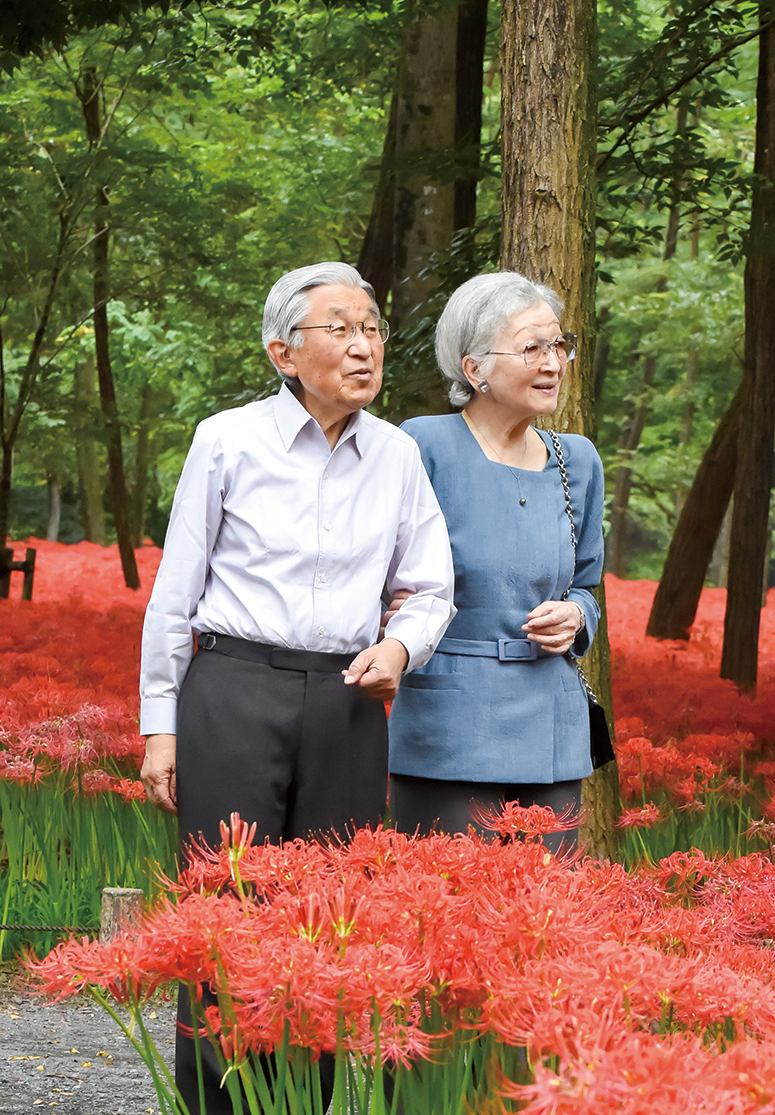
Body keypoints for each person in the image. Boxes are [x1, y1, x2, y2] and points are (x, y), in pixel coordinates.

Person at [138, 261, 455, 1113]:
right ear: (285, 351)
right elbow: (177, 593)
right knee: (223, 910)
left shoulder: (396, 454)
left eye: (374, 328)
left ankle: (298, 1103)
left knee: (327, 918)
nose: (364, 346)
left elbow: (431, 586)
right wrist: (160, 728)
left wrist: (400, 647)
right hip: (234, 687)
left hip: (348, 701)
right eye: (341, 329)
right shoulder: (226, 438)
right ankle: (215, 1103)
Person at [387, 271, 605, 852]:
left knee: (547, 919)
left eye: (558, 345)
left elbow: (587, 584)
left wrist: (577, 617)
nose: (553, 362)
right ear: (474, 368)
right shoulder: (421, 446)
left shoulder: (576, 460)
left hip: (551, 729)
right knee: (447, 911)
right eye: (532, 347)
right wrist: (387, 606)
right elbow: (378, 566)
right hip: (448, 726)